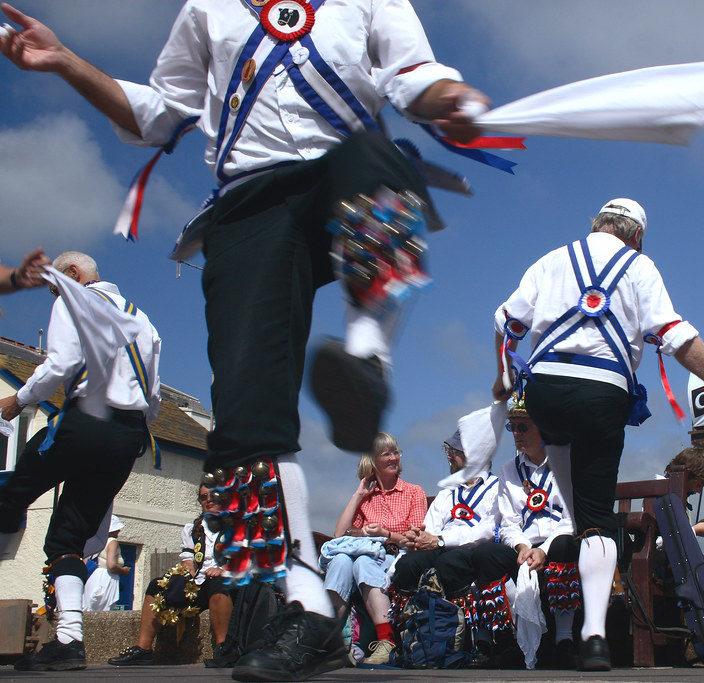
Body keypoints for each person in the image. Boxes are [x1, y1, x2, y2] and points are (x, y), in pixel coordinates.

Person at [1, 4, 488, 679]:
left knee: (377, 158)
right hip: (251, 206)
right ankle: (311, 608)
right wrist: (64, 62)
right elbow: (155, 114)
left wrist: (452, 99)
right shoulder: (209, 9)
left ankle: (366, 357)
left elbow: (414, 75)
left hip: (343, 180)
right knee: (243, 433)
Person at [492, 197, 704, 670]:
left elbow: (505, 322)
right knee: (596, 519)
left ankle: (576, 612)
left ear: (597, 224)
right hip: (600, 393)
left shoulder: (553, 259)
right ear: (636, 234)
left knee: (577, 509)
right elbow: (674, 334)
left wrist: (503, 380)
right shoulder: (638, 265)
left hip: (546, 394)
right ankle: (594, 637)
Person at [0, 251, 160, 672]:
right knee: (66, 539)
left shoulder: (73, 298)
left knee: (11, 493)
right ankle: (69, 640)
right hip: (129, 434)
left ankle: (69, 640)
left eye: (54, 283)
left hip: (87, 420)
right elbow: (155, 395)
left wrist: (18, 399)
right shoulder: (143, 320)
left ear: (73, 274)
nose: (54, 291)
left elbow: (63, 362)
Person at [391, 431, 509, 648]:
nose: (448, 457)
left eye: (454, 452)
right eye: (449, 451)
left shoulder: (497, 487)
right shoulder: (447, 491)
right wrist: (418, 538)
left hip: (475, 549)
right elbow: (432, 528)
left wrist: (441, 540)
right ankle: (414, 637)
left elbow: (488, 529)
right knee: (408, 565)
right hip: (442, 547)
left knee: (450, 563)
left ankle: (471, 639)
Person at [321, 433, 426, 666]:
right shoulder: (366, 497)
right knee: (340, 561)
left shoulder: (413, 492)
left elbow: (417, 541)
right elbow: (339, 534)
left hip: (396, 556)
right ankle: (331, 638)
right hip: (368, 556)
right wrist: (358, 495)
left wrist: (385, 534)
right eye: (386, 453)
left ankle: (386, 640)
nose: (394, 458)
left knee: (362, 562)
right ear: (373, 461)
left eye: (396, 452)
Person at [108, 485, 237, 668]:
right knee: (157, 585)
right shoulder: (193, 528)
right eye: (203, 497)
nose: (209, 500)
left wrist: (224, 568)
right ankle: (143, 649)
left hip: (229, 580)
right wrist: (186, 575)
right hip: (200, 582)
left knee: (218, 583)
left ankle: (223, 648)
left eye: (214, 495)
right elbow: (188, 559)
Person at [496, 397, 579, 667]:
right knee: (486, 555)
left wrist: (544, 549)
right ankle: (510, 641)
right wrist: (522, 547)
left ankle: (564, 639)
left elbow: (571, 518)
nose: (517, 434)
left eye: (523, 427)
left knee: (566, 545)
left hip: (557, 539)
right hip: (525, 545)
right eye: (513, 428)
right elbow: (508, 522)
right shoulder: (509, 470)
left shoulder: (566, 463)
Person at [665, 445, 704, 538]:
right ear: (686, 477)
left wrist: (698, 526)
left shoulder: (669, 495)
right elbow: (661, 541)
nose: (699, 491)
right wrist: (696, 530)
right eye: (699, 485)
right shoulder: (663, 497)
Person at [83, 515, 130, 612]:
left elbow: (85, 560)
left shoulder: (97, 541)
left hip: (94, 577)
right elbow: (111, 565)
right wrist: (123, 570)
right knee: (103, 611)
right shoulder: (112, 542)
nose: (119, 531)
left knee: (90, 609)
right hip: (106, 578)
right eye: (117, 528)